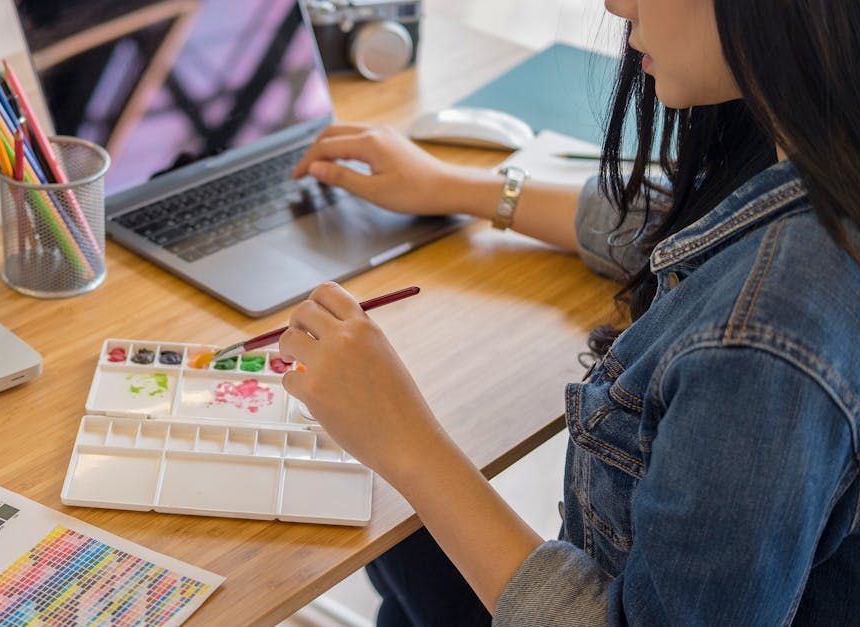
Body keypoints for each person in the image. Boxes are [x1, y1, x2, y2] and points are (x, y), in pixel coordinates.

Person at [282, 0, 860, 623]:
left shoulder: (764, 340)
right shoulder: (820, 162)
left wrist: (407, 445)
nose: (617, 5)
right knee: (401, 552)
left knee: (389, 516)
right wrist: (457, 188)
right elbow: (692, 221)